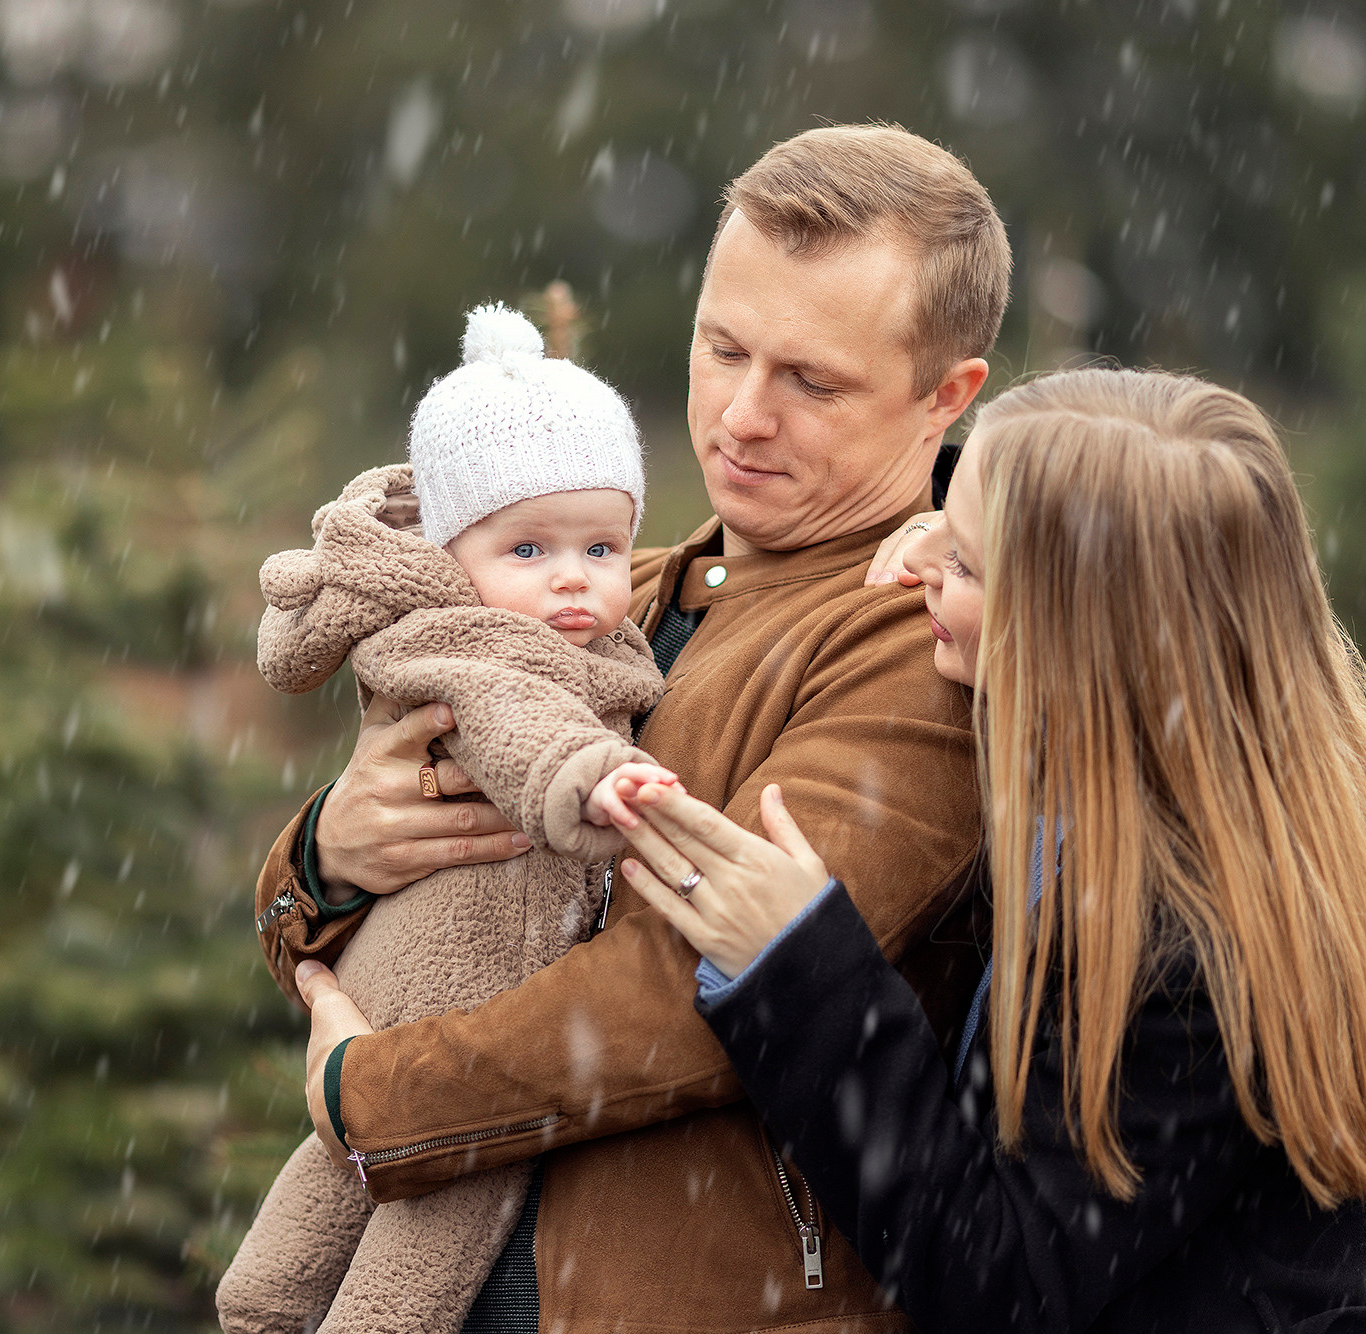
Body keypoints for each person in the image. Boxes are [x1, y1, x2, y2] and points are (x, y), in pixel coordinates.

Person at [580, 367, 1366, 1332]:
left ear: (1077, 637)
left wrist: (804, 972)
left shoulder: (1196, 953)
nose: (921, 566)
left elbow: (1000, 1281)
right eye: (947, 516)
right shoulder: (1210, 778)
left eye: (972, 564)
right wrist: (954, 524)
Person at [259, 125, 1007, 1331]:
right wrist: (327, 855)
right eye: (721, 347)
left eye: (810, 380)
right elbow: (376, 908)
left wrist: (374, 1095)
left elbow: (701, 985)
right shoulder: (605, 583)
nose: (741, 416)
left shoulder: (919, 637)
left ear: (947, 393)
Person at [221, 304, 675, 1334]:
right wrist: (588, 779)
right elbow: (516, 721)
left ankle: (262, 1298)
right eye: (528, 546)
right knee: (442, 1203)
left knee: (337, 1167)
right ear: (451, 548)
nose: (573, 575)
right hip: (467, 987)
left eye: (603, 545)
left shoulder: (577, 621)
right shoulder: (465, 641)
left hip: (427, 992)